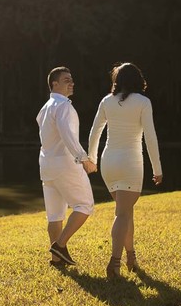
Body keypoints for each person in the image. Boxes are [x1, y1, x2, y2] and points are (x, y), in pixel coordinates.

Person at [87, 62, 162, 278]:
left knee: (126, 211)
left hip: (108, 163)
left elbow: (94, 132)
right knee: (122, 213)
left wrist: (91, 159)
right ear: (138, 80)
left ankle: (131, 257)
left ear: (117, 81)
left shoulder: (106, 101)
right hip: (130, 162)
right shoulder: (143, 102)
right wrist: (157, 168)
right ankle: (114, 263)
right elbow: (150, 137)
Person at [36, 66, 97, 266]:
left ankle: (56, 260)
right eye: (66, 80)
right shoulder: (63, 106)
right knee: (85, 205)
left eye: (71, 79)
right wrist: (84, 159)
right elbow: (67, 135)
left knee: (55, 215)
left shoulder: (45, 108)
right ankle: (59, 246)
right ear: (54, 84)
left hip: (47, 166)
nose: (71, 83)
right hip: (65, 164)